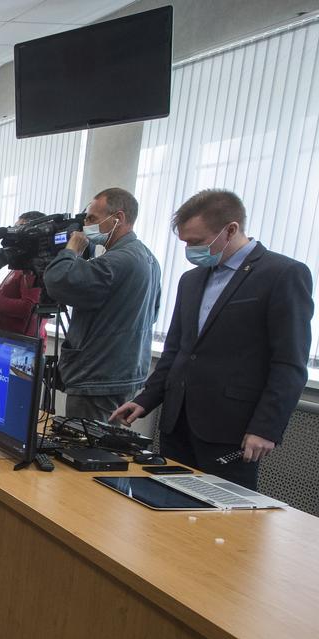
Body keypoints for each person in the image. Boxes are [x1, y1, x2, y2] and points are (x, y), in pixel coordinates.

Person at [111, 189, 315, 489]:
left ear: (230, 229)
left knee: (222, 524)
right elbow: (177, 351)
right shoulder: (191, 279)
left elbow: (290, 361)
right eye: (184, 243)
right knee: (167, 505)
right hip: (177, 423)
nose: (189, 251)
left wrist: (266, 428)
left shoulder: (282, 274)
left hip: (231, 429)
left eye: (196, 242)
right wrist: (146, 399)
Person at [42, 188, 162, 421]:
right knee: (105, 447)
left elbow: (56, 281)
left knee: (85, 448)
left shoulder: (116, 261)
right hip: (123, 372)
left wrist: (72, 250)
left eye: (92, 219)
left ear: (119, 218)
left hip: (98, 377)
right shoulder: (148, 258)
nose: (85, 225)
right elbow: (154, 311)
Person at [0, 210, 48, 340]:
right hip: (4, 339)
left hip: (17, 344)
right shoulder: (21, 263)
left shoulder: (34, 269)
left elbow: (28, 308)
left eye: (18, 229)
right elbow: (17, 293)